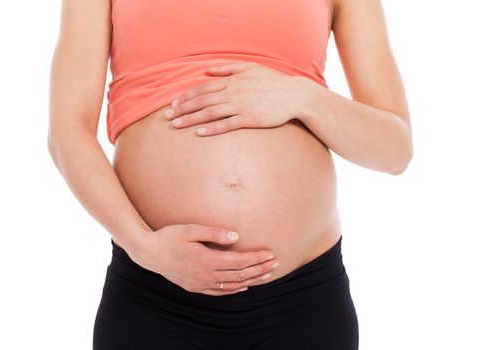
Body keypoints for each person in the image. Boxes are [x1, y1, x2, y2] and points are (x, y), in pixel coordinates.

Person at [48, 0, 412, 349]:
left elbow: (394, 149)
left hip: (301, 299)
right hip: (155, 293)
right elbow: (67, 134)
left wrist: (303, 97)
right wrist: (143, 246)